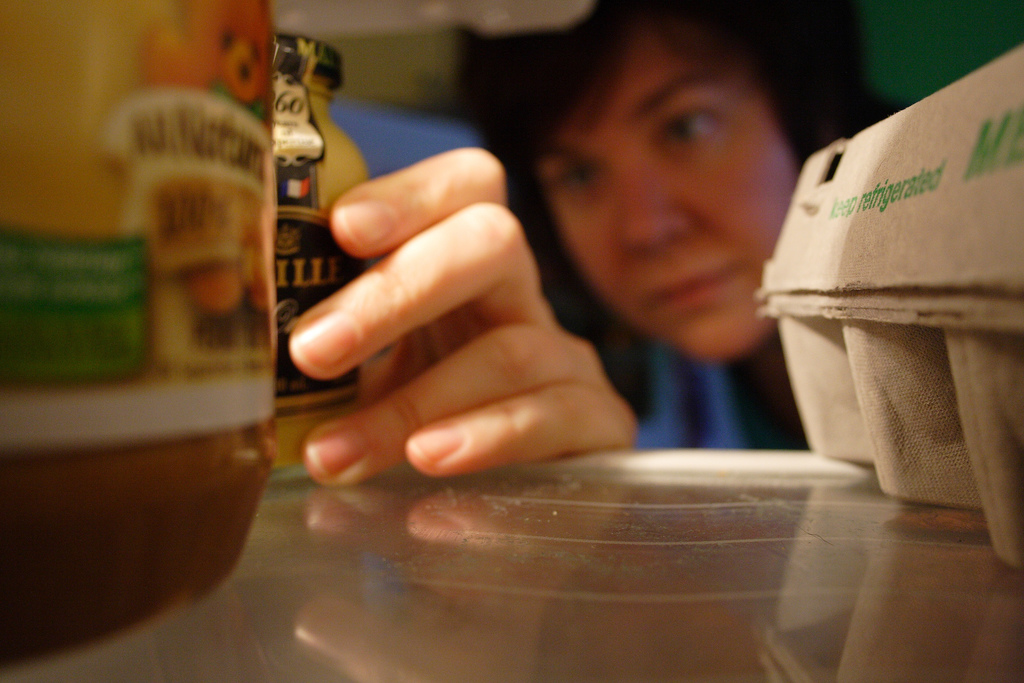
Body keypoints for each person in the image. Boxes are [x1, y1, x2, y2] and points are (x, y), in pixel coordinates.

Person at [288, 0, 894, 485]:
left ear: (817, 107)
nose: (643, 230)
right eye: (578, 174)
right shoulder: (670, 384)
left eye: (685, 126)